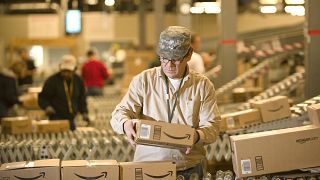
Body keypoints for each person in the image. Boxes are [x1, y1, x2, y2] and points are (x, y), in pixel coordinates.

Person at [110, 26, 221, 179]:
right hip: (149, 167)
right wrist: (124, 124)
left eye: (175, 59)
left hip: (189, 168)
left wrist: (196, 136)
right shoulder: (144, 80)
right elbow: (120, 112)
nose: (169, 65)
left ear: (189, 55)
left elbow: (213, 126)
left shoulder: (202, 85)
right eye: (164, 58)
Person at [38, 55, 90, 131]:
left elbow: (82, 98)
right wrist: (47, 107)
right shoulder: (52, 81)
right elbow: (42, 97)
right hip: (55, 118)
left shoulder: (78, 81)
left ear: (74, 69)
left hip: (72, 118)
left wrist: (84, 112)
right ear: (60, 68)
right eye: (63, 71)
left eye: (68, 71)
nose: (65, 74)